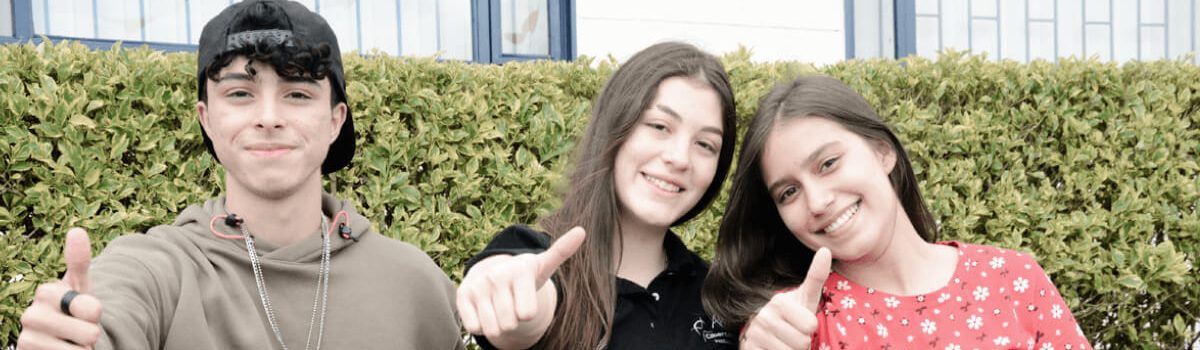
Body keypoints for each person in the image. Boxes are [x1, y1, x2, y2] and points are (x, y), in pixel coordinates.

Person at [16, 1, 463, 349]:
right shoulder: (160, 270)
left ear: (335, 120)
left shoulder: (416, 284)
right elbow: (113, 311)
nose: (268, 117)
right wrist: (73, 335)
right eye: (240, 92)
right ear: (207, 119)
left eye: (297, 93)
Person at [702, 75, 1092, 349]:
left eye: (828, 163)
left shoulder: (1012, 280)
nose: (817, 201)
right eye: (789, 192)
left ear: (882, 151)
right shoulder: (795, 325)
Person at [455, 42, 739, 349]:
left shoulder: (718, 296)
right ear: (615, 126)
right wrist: (512, 300)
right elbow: (521, 301)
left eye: (706, 145)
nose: (680, 158)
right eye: (659, 126)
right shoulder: (539, 258)